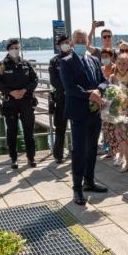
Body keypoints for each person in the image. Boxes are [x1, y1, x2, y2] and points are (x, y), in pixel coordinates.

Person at [58, 29, 109, 206]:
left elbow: (104, 80)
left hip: (95, 112)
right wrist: (90, 94)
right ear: (72, 43)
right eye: (77, 40)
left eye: (83, 40)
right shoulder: (65, 62)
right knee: (79, 151)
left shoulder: (94, 60)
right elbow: (70, 88)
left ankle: (89, 182)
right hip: (79, 113)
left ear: (88, 41)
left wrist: (99, 91)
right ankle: (77, 188)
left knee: (92, 149)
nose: (80, 42)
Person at [0, 38, 39, 169]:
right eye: (13, 48)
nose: (15, 50)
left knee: (28, 132)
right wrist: (10, 92)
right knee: (12, 132)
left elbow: (35, 80)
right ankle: (14, 159)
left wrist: (25, 90)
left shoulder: (26, 64)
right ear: (8, 49)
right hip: (10, 103)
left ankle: (31, 158)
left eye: (17, 48)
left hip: (26, 101)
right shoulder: (3, 65)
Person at [49, 34, 72, 164]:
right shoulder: (54, 61)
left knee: (78, 126)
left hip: (75, 98)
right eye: (62, 43)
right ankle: (58, 154)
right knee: (60, 128)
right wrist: (67, 88)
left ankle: (78, 151)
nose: (65, 44)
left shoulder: (77, 58)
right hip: (61, 98)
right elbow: (53, 80)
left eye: (67, 42)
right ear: (58, 46)